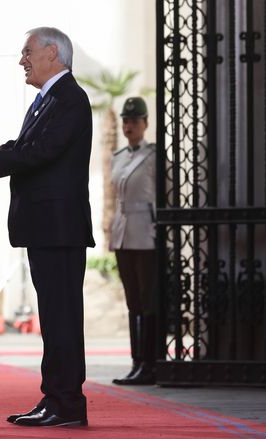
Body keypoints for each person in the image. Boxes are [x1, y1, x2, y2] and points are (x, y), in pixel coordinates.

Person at [0, 27, 94, 427]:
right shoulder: (48, 99)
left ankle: (66, 403)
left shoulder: (69, 98)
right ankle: (54, 398)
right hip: (46, 228)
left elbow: (44, 152)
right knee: (54, 318)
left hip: (59, 229)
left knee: (62, 318)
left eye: (27, 52)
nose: (22, 59)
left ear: (52, 53)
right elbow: (27, 147)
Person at [109, 97, 157, 385]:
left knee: (148, 302)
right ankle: (137, 361)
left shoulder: (153, 157)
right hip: (123, 235)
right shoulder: (118, 158)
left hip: (146, 235)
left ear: (145, 123)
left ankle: (150, 363)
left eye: (134, 121)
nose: (129, 126)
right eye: (125, 121)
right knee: (133, 303)